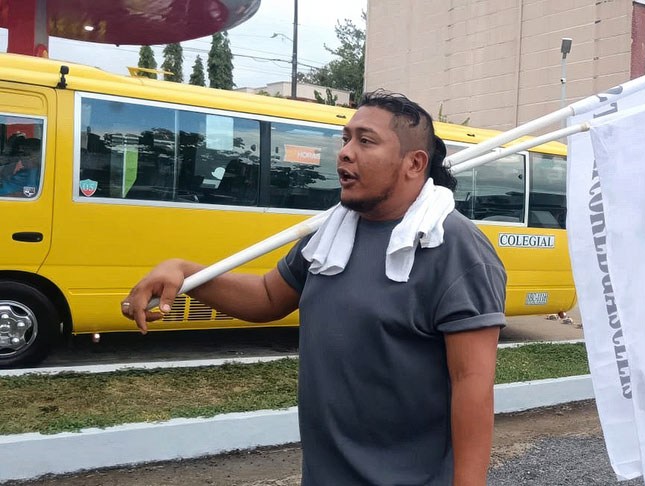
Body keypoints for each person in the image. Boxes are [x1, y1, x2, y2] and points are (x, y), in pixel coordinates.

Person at [121, 90, 507, 485]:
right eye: (345, 139)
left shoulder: (456, 249)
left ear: (414, 163)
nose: (345, 153)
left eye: (366, 141)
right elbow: (267, 297)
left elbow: (472, 385)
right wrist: (185, 273)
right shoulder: (330, 234)